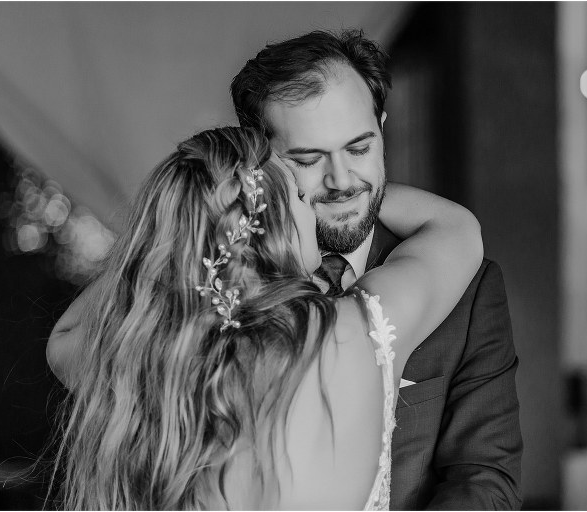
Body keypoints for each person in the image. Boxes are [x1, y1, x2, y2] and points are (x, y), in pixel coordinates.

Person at [46, 126, 483, 509]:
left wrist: (168, 234)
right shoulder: (358, 329)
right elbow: (456, 230)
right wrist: (346, 192)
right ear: (272, 222)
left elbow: (65, 336)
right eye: (298, 192)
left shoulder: (154, 362)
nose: (311, 203)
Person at [230, 29, 523, 509]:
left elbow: (485, 481)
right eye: (307, 159)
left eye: (360, 149)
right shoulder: (221, 280)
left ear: (382, 128)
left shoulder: (467, 284)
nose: (342, 181)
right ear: (258, 160)